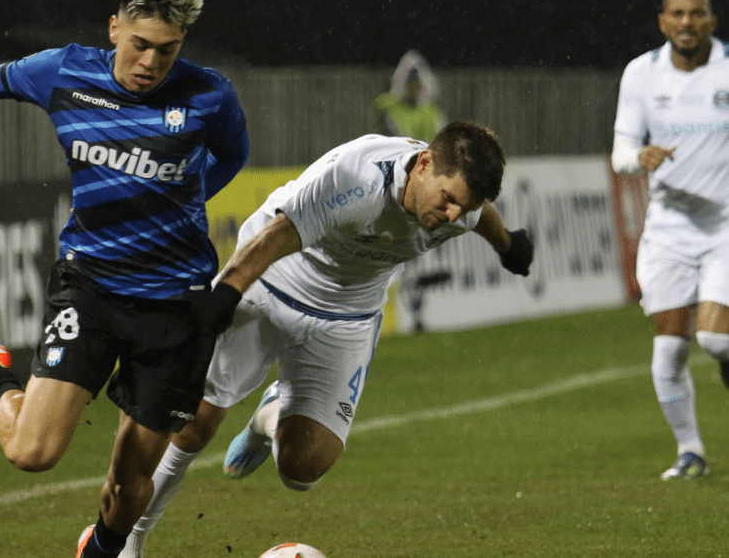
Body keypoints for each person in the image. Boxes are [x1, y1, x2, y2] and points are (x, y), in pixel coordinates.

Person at [0, 0, 249, 557]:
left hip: (174, 306)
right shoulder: (63, 71)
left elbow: (232, 153)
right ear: (114, 29)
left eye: (167, 50)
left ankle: (100, 549)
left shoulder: (209, 94)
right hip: (91, 289)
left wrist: (182, 195)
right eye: (140, 45)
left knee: (130, 486)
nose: (150, 63)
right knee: (31, 453)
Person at [121, 121, 534, 557]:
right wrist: (225, 296)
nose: (451, 215)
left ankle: (270, 417)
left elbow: (479, 216)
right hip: (272, 281)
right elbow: (274, 237)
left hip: (348, 317)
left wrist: (507, 246)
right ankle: (127, 538)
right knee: (195, 423)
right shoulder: (357, 179)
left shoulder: (459, 207)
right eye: (448, 200)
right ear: (424, 164)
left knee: (303, 471)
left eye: (461, 206)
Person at [611, 0, 729, 480]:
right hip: (668, 231)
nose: (687, 23)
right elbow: (620, 149)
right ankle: (690, 452)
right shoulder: (641, 73)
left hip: (724, 227)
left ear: (711, 21)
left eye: (696, 13)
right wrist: (639, 157)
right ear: (663, 21)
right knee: (670, 348)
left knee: (715, 341)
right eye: (677, 14)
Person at [371, 50, 446, 143]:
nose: (414, 89)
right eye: (410, 85)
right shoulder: (391, 109)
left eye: (417, 85)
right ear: (403, 86)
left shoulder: (432, 114)